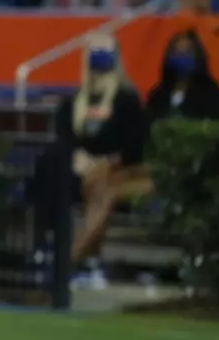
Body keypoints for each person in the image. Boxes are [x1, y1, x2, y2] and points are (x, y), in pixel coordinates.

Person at [51, 37, 152, 271]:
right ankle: (80, 259)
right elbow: (64, 140)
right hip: (77, 174)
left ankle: (69, 262)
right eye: (95, 51)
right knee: (93, 182)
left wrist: (107, 161)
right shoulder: (70, 104)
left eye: (105, 51)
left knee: (101, 183)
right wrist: (78, 158)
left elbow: (135, 147)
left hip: (118, 173)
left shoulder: (128, 100)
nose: (100, 57)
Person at [144, 29, 219, 122]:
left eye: (187, 52)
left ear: (197, 56)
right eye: (177, 52)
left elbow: (217, 123)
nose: (181, 57)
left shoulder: (210, 92)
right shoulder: (158, 94)